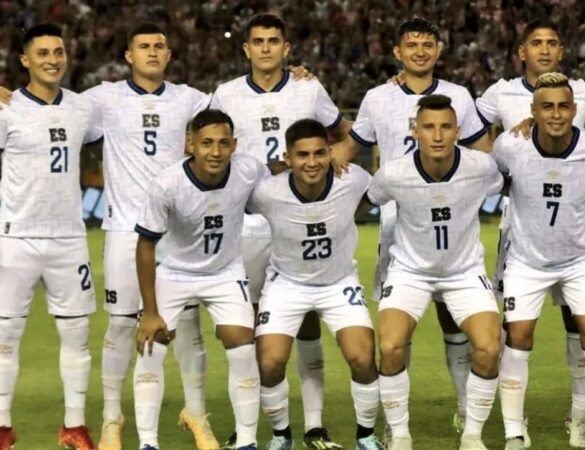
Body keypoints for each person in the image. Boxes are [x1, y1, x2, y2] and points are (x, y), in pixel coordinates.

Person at [0, 23, 218, 450]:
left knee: (187, 325)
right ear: (128, 56)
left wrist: (295, 76)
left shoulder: (190, 99)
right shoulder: (99, 100)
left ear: (169, 55)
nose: (152, 52)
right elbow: (46, 105)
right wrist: (1, 93)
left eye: (160, 46)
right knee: (122, 324)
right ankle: (112, 419)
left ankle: (196, 414)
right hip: (125, 229)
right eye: (143, 46)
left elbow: (239, 110)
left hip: (177, 231)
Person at [333, 18, 490, 435]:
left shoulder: (458, 95)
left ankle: (465, 406)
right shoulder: (378, 97)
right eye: (412, 45)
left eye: (427, 44)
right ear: (397, 52)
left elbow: (485, 153)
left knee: (454, 320)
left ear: (439, 50)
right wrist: (315, 163)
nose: (420, 51)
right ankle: (395, 424)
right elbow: (351, 148)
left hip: (452, 221)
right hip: (396, 223)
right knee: (398, 328)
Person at [210, 14, 350, 448]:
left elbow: (343, 133)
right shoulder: (226, 94)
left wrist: (334, 162)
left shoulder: (308, 88)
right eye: (258, 41)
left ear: (286, 48)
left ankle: (314, 424)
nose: (266, 48)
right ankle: (252, 426)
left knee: (306, 320)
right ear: (246, 49)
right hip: (248, 223)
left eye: (274, 41)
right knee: (251, 328)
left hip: (298, 221)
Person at [475, 19, 585, 447]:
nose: (556, 113)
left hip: (580, 255)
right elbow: (484, 161)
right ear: (532, 112)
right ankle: (514, 431)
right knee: (516, 336)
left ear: (575, 109)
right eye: (546, 107)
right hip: (525, 252)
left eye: (563, 107)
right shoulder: (508, 140)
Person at [0, 23, 101, 450]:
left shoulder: (83, 108)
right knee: (7, 334)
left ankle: (74, 426)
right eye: (42, 53)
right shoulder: (4, 108)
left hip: (69, 238)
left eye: (58, 52)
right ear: (25, 60)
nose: (52, 60)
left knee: (77, 335)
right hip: (16, 238)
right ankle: (2, 427)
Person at [367, 94, 502, 450]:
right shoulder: (394, 173)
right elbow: (367, 198)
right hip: (409, 272)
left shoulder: (480, 167)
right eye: (429, 127)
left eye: (446, 127)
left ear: (458, 131)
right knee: (390, 346)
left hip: (464, 272)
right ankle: (399, 434)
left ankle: (472, 434)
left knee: (489, 348)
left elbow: (507, 182)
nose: (438, 135)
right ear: (415, 131)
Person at [247, 118, 383, 450]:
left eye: (320, 153)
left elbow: (374, 196)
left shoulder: (352, 179)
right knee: (269, 362)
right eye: (303, 155)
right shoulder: (267, 191)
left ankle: (366, 436)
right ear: (288, 158)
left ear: (330, 153)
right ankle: (282, 436)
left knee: (363, 357)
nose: (312, 162)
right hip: (286, 284)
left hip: (338, 283)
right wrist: (268, 168)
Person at [133, 109, 265, 450]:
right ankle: (148, 443)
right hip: (174, 271)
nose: (215, 151)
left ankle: (247, 441)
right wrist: (150, 312)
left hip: (225, 271)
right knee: (151, 343)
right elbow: (145, 245)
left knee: (243, 344)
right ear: (190, 144)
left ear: (235, 145)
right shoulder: (167, 184)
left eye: (223, 143)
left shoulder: (249, 170)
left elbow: (279, 182)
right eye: (207, 143)